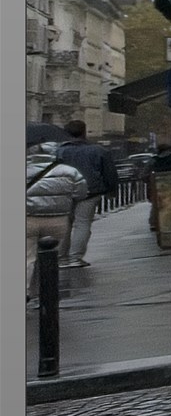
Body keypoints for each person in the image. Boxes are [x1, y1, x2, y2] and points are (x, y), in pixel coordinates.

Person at [25, 139, 87, 302]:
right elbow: (81, 193)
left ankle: (26, 291)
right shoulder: (69, 171)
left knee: (27, 258)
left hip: (28, 218)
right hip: (58, 219)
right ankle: (46, 295)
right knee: (51, 258)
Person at [53, 121, 114, 267]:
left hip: (64, 191)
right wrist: (111, 190)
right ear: (84, 132)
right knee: (83, 223)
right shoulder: (98, 150)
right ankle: (75, 258)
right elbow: (109, 172)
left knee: (64, 224)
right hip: (90, 191)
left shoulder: (59, 151)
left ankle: (61, 258)